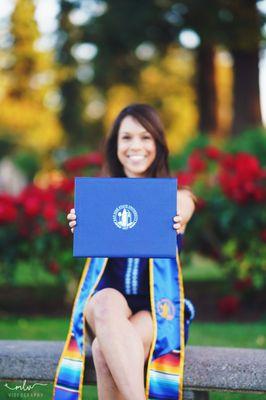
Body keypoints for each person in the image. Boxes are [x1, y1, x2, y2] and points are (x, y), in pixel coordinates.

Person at [53, 103, 196, 400]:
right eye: (126, 137)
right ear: (115, 145)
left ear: (158, 144)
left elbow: (185, 206)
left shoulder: (175, 197)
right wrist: (81, 222)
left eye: (145, 137)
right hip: (106, 305)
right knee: (105, 303)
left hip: (156, 310)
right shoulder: (99, 198)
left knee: (105, 350)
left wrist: (179, 216)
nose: (136, 146)